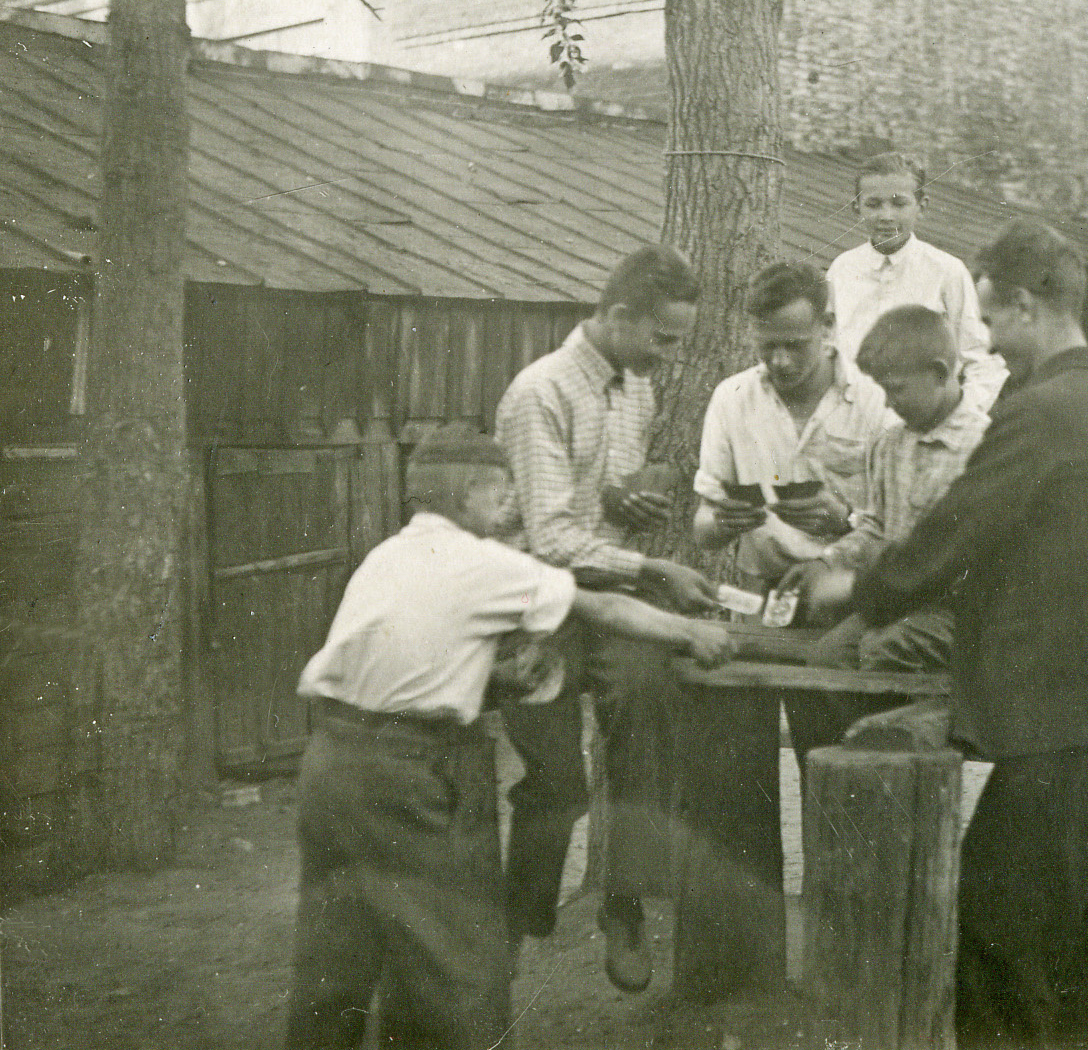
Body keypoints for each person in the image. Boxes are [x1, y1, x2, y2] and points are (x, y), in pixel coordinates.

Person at [286, 423, 733, 1050]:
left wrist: (491, 677)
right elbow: (600, 608)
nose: (511, 509)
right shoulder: (484, 562)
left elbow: (404, 660)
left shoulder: (385, 556)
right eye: (501, 497)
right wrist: (690, 634)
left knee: (338, 957)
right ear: (468, 493)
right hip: (413, 772)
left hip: (333, 764)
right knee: (458, 964)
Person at [844, 220, 1088, 1048]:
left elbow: (954, 535)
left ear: (1026, 307)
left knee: (997, 938)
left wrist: (858, 584)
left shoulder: (1043, 413)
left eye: (991, 324)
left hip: (1058, 720)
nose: (987, 345)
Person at [494, 243, 720, 993]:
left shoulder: (634, 389)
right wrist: (654, 567)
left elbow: (599, 500)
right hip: (536, 604)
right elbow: (552, 537)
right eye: (663, 337)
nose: (671, 353)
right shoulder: (542, 392)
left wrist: (630, 493)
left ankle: (623, 904)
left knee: (648, 697)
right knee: (554, 777)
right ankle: (519, 921)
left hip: (607, 600)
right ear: (618, 316)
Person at [776, 304, 988, 753]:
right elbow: (874, 527)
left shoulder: (985, 448)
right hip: (890, 604)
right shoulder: (891, 445)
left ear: (940, 372)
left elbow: (978, 560)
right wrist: (825, 562)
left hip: (960, 614)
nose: (888, 404)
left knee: (878, 654)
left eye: (896, 390)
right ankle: (832, 797)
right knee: (816, 666)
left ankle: (886, 779)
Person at [691, 260, 891, 587]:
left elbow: (904, 535)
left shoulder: (876, 402)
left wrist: (845, 520)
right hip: (761, 592)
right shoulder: (732, 397)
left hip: (850, 590)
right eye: (767, 346)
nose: (781, 361)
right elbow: (703, 528)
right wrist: (724, 522)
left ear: (826, 327)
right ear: (752, 332)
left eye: (795, 345)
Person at [826, 151, 1008, 412]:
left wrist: (959, 415)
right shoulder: (841, 270)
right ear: (856, 206)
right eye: (873, 204)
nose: (886, 216)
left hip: (922, 421)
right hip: (852, 418)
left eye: (899, 204)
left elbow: (983, 360)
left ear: (921, 206)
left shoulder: (947, 271)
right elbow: (827, 350)